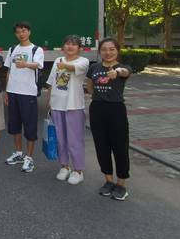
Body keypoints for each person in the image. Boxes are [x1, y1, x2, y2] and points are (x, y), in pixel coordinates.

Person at [86, 38, 133, 201]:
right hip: (97, 109)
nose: (108, 52)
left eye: (112, 49)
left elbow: (125, 72)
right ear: (100, 51)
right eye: (104, 49)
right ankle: (108, 181)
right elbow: (90, 87)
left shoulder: (123, 67)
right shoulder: (94, 68)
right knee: (102, 147)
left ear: (117, 51)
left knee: (120, 147)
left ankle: (121, 184)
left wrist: (117, 72)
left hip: (116, 110)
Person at [46, 35, 90, 185]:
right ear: (63, 47)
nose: (70, 47)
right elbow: (51, 82)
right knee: (60, 139)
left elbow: (72, 68)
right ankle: (64, 166)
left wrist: (64, 65)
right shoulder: (57, 60)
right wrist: (49, 101)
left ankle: (78, 170)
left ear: (79, 48)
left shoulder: (83, 61)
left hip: (74, 106)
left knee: (75, 140)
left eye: (74, 44)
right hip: (57, 105)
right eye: (67, 44)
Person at [4, 21, 44, 173]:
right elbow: (9, 71)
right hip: (13, 92)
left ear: (29, 32)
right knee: (14, 125)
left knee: (30, 126)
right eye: (18, 32)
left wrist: (26, 64)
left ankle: (29, 158)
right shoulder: (12, 49)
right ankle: (19, 153)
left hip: (28, 93)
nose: (21, 34)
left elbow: (38, 65)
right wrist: (7, 91)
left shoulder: (36, 49)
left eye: (24, 31)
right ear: (15, 34)